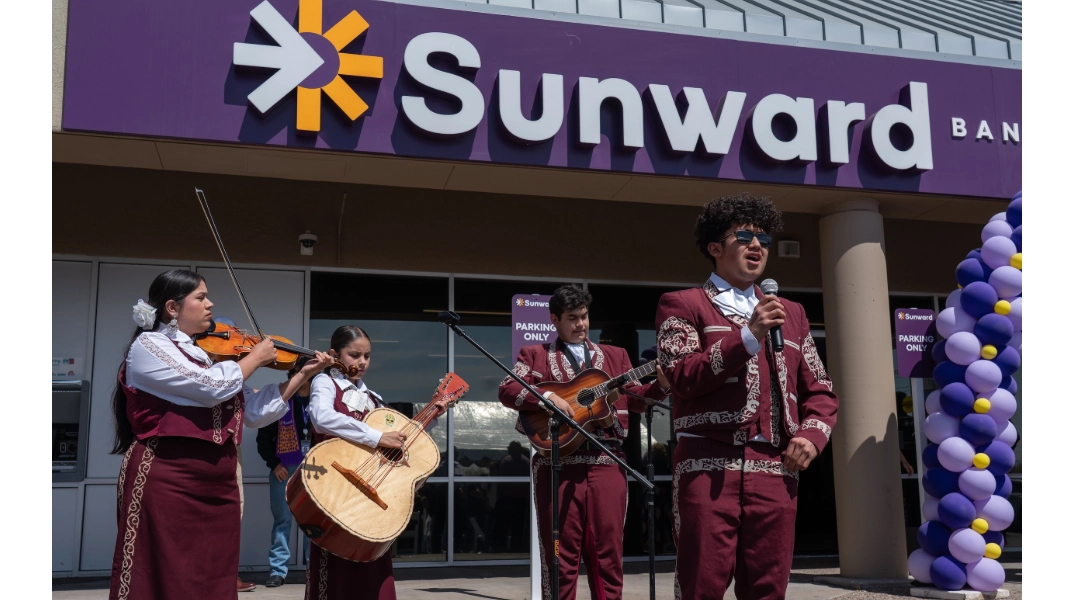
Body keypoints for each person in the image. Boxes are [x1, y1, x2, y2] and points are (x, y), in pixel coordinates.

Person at [655, 194, 839, 600]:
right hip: (707, 466)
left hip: (776, 470)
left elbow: (821, 391)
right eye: (743, 236)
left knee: (768, 589)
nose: (757, 246)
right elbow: (682, 376)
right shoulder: (682, 305)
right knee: (701, 586)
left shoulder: (791, 313)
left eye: (764, 239)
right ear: (715, 248)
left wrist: (811, 436)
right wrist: (747, 336)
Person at [108, 269, 333, 600]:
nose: (210, 304)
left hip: (218, 481)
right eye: (201, 297)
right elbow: (210, 387)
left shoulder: (205, 354)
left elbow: (251, 411)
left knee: (214, 572)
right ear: (172, 307)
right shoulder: (149, 345)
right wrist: (255, 357)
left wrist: (301, 375)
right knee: (162, 570)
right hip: (169, 475)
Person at [498, 284, 671, 600]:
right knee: (560, 557)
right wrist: (546, 397)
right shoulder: (535, 355)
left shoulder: (616, 356)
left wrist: (660, 386)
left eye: (584, 316)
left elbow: (637, 400)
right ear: (554, 320)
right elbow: (507, 388)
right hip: (558, 466)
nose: (581, 324)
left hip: (607, 461)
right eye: (572, 318)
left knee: (609, 555)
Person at [304, 325, 449, 600]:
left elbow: (400, 439)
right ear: (334, 354)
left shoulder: (374, 400)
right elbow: (321, 417)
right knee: (333, 560)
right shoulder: (325, 383)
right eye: (354, 355)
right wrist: (377, 436)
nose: (361, 363)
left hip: (370, 491)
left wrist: (432, 412)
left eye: (367, 356)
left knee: (372, 565)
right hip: (334, 486)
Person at [255, 357, 315, 588]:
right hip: (285, 469)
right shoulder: (280, 403)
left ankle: (314, 567)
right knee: (282, 520)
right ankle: (278, 571)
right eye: (295, 374)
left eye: (305, 374)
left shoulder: (321, 403)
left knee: (314, 521)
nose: (300, 379)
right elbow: (263, 439)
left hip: (315, 468)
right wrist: (275, 464)